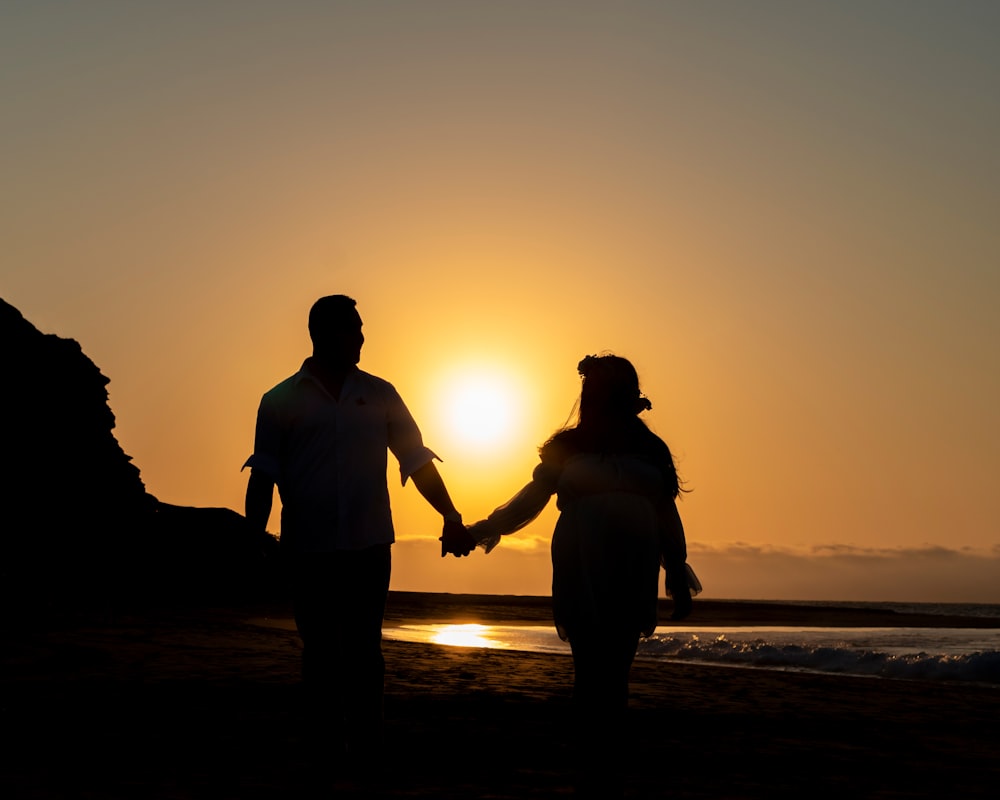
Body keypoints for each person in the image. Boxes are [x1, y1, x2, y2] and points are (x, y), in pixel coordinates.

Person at [242, 294, 475, 774]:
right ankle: (325, 750)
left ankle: (369, 750)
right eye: (354, 329)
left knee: (366, 650)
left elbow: (415, 458)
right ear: (323, 333)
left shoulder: (382, 393)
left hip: (369, 544)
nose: (363, 337)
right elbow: (262, 474)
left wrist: (450, 514)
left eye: (362, 328)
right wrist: (252, 538)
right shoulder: (279, 400)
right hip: (308, 547)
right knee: (321, 651)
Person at [466, 353, 700, 797]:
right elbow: (531, 498)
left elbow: (666, 512)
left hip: (634, 564)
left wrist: (676, 569)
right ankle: (594, 759)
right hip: (581, 559)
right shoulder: (568, 446)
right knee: (591, 663)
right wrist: (485, 528)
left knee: (617, 665)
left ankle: (605, 757)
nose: (593, 398)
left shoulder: (652, 450)